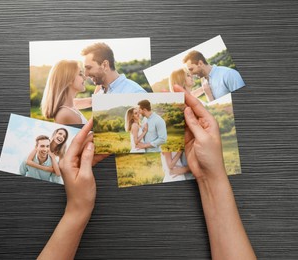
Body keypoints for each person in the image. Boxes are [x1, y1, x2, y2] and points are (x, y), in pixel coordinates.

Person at [38, 86, 257, 259]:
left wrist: (77, 209)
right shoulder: (138, 125)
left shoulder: (147, 123)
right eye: (136, 112)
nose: (138, 113)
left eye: (137, 111)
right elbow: (139, 142)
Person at [73, 42, 148, 110]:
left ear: (105, 65)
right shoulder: (100, 91)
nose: (85, 74)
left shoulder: (135, 93)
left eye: (89, 68)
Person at [41, 60, 89, 125]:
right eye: (80, 74)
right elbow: (89, 134)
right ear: (69, 79)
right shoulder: (66, 113)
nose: (85, 78)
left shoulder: (70, 106)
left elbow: (91, 102)